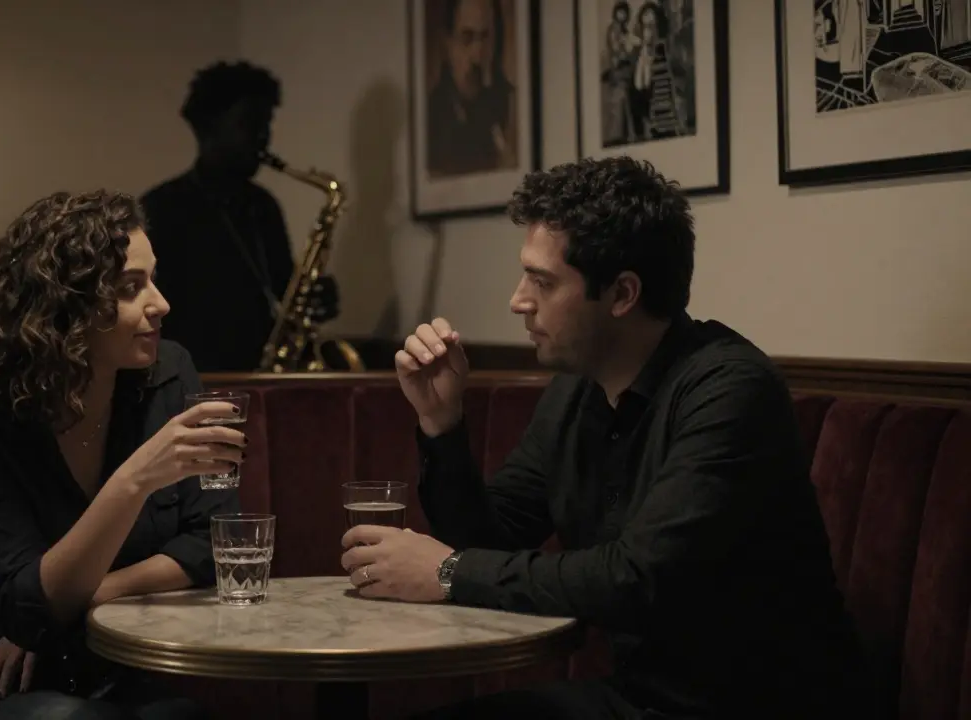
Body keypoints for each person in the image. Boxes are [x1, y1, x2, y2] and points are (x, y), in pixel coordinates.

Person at [339, 157, 871, 719]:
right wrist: (441, 423)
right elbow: (492, 541)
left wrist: (447, 572)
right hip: (641, 698)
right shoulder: (577, 388)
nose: (518, 300)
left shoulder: (731, 390)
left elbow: (638, 577)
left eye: (542, 281)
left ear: (622, 294)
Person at [0, 189, 245, 720]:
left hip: (111, 669)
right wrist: (133, 481)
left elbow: (210, 545)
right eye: (133, 288)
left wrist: (82, 602)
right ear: (65, 307)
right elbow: (22, 603)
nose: (161, 304)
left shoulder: (169, 376)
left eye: (154, 279)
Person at [141, 60, 339, 373]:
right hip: (190, 377)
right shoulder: (161, 207)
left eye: (267, 124)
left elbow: (283, 290)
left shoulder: (263, 206)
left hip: (259, 373)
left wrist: (318, 299)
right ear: (209, 127)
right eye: (251, 123)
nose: (263, 138)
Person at [426, 0, 516, 177]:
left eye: (485, 37)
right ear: (447, 44)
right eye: (467, 38)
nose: (478, 54)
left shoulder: (513, 107)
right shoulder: (430, 117)